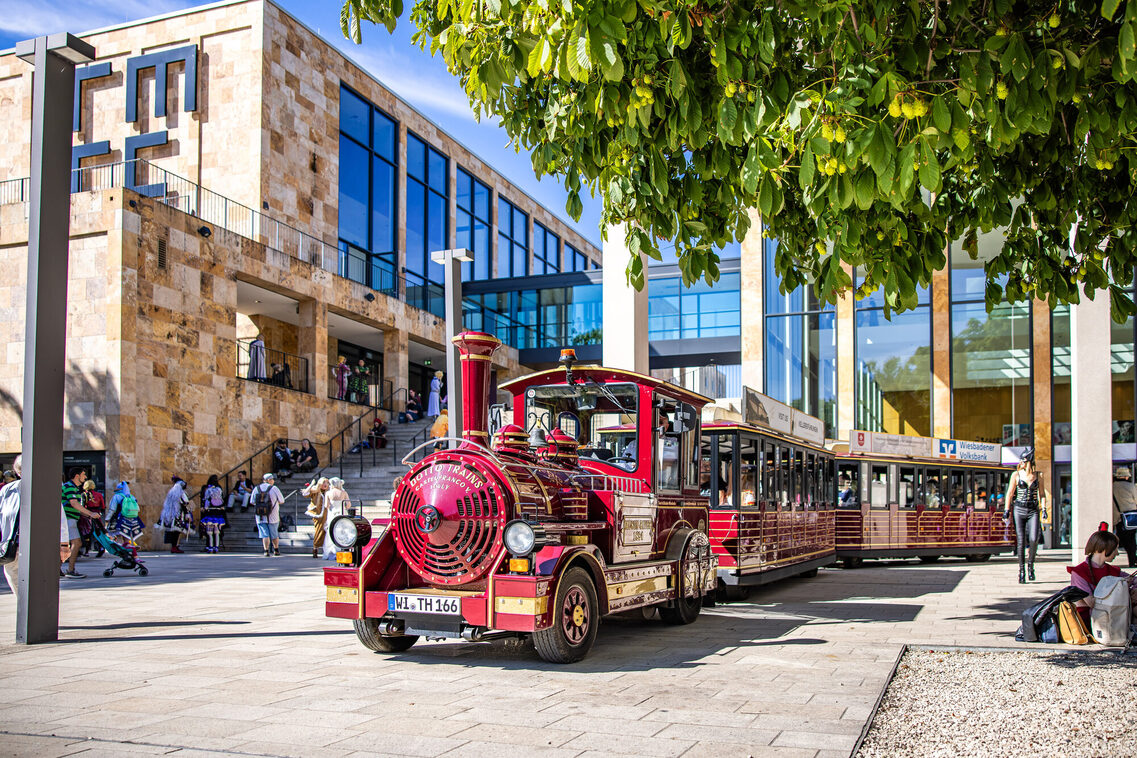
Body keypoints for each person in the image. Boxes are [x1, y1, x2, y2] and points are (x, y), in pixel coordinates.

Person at [1067, 530, 1137, 627]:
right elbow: (1092, 603)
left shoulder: (1113, 570)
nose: (1117, 553)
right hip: (1091, 622)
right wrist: (1122, 588)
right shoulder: (1079, 572)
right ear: (1105, 550)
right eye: (1115, 549)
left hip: (1113, 617)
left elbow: (1134, 579)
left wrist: (1133, 590)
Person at [1004, 448, 1047, 583]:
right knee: (1021, 541)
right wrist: (1006, 510)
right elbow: (1010, 494)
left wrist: (1044, 508)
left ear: (1028, 461)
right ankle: (1021, 571)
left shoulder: (1038, 475)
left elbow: (1042, 494)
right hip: (1019, 509)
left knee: (1034, 538)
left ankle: (1030, 566)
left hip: (1033, 509)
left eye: (1023, 460)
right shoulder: (1016, 475)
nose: (1020, 462)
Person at [61, 467, 99, 578]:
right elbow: (74, 504)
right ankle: (70, 570)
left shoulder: (74, 488)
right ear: (77, 476)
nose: (85, 477)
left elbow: (76, 506)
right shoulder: (69, 487)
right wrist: (91, 514)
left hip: (71, 519)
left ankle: (60, 569)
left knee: (68, 544)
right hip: (68, 519)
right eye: (83, 474)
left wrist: (88, 514)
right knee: (76, 543)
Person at [1, 455, 21, 594]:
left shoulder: (46, 489)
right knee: (14, 577)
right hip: (12, 545)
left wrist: (63, 544)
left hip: (38, 546)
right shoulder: (7, 490)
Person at [252, 473, 284, 557]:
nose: (273, 481)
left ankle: (266, 551)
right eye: (272, 479)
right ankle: (276, 549)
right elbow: (282, 500)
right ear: (269, 480)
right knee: (274, 534)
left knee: (264, 534)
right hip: (273, 515)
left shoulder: (256, 488)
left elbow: (252, 501)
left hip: (260, 516)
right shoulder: (274, 488)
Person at [159, 477, 192, 554]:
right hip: (178, 515)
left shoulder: (171, 492)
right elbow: (185, 504)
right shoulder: (180, 493)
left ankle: (174, 546)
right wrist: (187, 514)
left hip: (170, 514)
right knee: (176, 531)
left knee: (174, 531)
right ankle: (174, 546)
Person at [106, 481, 144, 547]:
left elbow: (112, 509)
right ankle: (130, 548)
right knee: (127, 536)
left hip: (119, 519)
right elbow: (138, 509)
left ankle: (122, 548)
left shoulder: (116, 496)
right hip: (132, 520)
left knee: (118, 537)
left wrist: (107, 519)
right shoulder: (132, 497)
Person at [1112, 466, 1137, 568]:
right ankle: (1132, 560)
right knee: (1131, 540)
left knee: (1124, 539)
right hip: (1131, 517)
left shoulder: (1112, 486)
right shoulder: (1131, 486)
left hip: (1119, 518)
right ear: (1126, 477)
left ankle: (1132, 559)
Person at [303, 477, 331, 559]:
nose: (325, 485)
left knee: (326, 531)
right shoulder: (315, 491)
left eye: (327, 483)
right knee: (320, 530)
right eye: (324, 483)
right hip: (318, 514)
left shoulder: (329, 492)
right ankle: (315, 548)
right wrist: (311, 484)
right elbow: (305, 494)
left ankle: (325, 549)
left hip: (327, 513)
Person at [79, 479, 106, 558]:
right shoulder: (99, 494)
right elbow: (103, 506)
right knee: (98, 531)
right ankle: (101, 547)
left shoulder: (84, 494)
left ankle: (86, 551)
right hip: (97, 515)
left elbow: (82, 506)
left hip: (88, 515)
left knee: (87, 532)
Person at [324, 477, 349, 559]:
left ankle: (331, 551)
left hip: (332, 514)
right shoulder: (343, 492)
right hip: (342, 513)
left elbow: (326, 506)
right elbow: (348, 505)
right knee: (342, 531)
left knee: (331, 531)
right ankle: (341, 550)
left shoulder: (328, 493)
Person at [200, 475, 226, 553]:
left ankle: (210, 547)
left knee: (209, 532)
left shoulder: (208, 489)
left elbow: (206, 500)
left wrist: (204, 507)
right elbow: (221, 499)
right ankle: (216, 547)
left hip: (210, 513)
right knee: (217, 532)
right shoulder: (219, 489)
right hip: (218, 513)